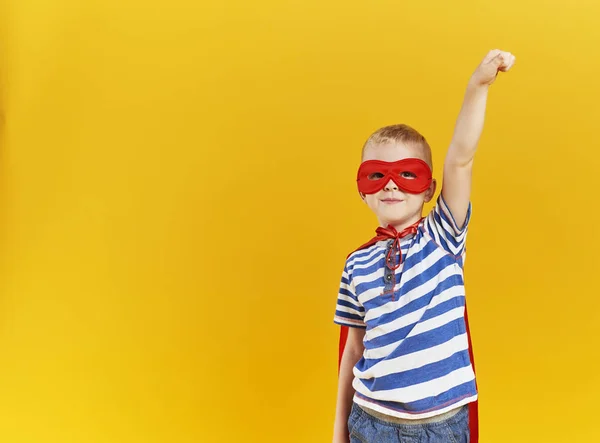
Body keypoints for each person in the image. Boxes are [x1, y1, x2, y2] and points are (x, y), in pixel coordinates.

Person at [332, 49, 516, 443]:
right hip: (370, 421)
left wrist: (478, 86)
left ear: (430, 188)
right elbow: (351, 351)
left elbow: (461, 160)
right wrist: (338, 432)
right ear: (362, 191)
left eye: (407, 174)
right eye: (377, 175)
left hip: (440, 426)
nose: (392, 185)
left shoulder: (443, 235)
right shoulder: (356, 264)